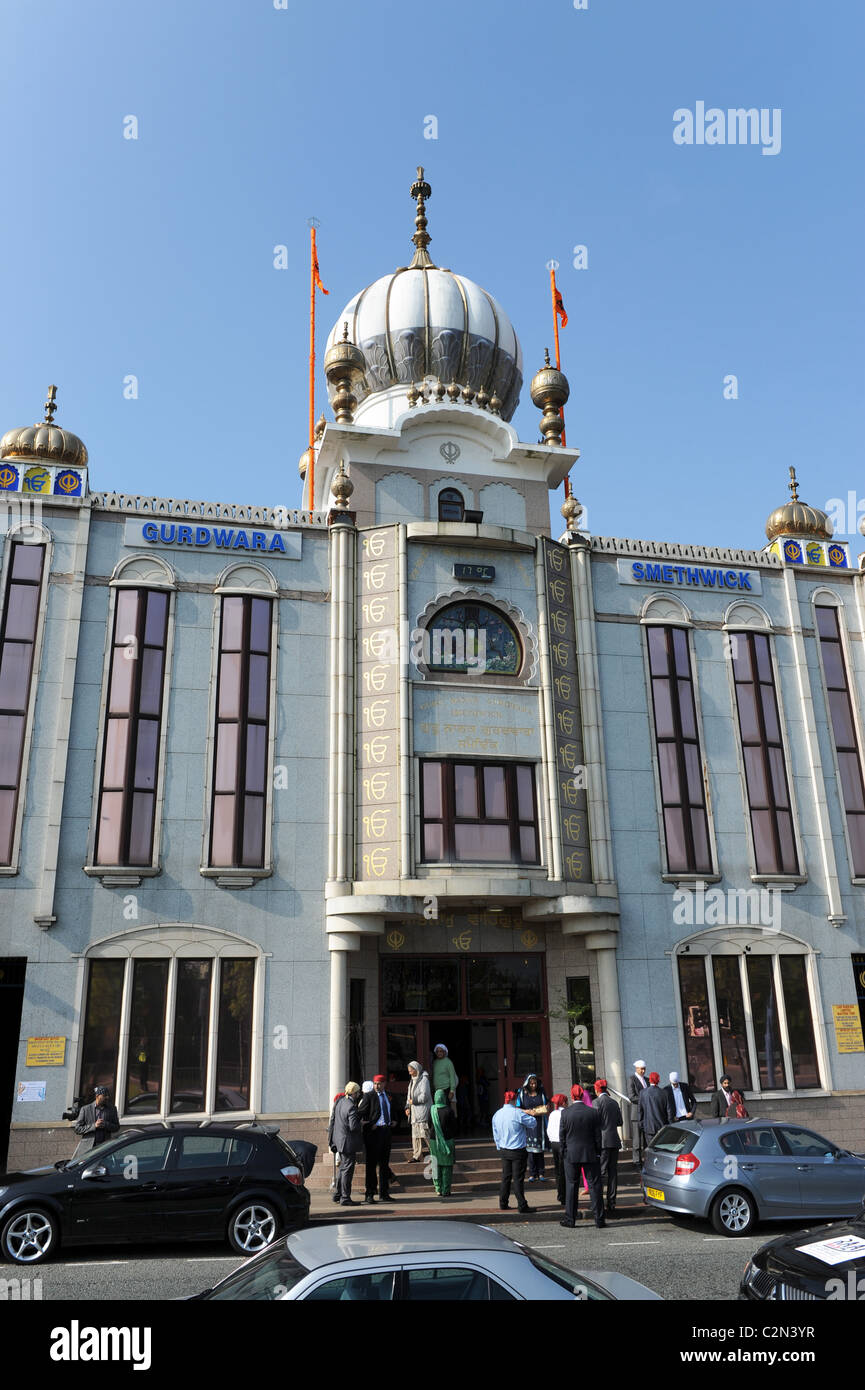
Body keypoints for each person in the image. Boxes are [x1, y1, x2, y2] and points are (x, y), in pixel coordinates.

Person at [559, 1083, 605, 1228]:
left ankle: (570, 1219)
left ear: (572, 1096)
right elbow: (598, 1136)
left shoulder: (565, 1113)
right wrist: (598, 1152)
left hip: (571, 1154)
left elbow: (562, 1137)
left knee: (571, 1186)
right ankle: (599, 1220)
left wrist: (563, 1152)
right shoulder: (592, 1112)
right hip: (590, 1153)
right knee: (594, 1186)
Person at [491, 1089, 538, 1213]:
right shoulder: (517, 1113)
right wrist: (525, 1112)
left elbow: (495, 1132)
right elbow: (533, 1123)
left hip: (504, 1149)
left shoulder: (497, 1114)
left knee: (506, 1177)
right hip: (517, 1150)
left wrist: (498, 1146)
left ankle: (503, 1202)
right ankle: (522, 1205)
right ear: (513, 1100)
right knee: (518, 1178)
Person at [358, 1074, 398, 1204]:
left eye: (379, 1083)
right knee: (371, 1165)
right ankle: (369, 1194)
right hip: (373, 1133)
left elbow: (394, 1109)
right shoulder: (369, 1096)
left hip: (386, 1131)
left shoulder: (388, 1095)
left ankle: (384, 1193)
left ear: (384, 1084)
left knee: (384, 1164)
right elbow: (361, 1113)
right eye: (375, 1083)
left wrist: (395, 1120)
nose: (376, 1086)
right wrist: (370, 1125)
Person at [327, 1081, 364, 1205]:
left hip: (339, 1141)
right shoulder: (351, 1106)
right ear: (354, 1093)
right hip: (348, 1143)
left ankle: (338, 1194)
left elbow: (333, 1122)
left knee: (342, 1169)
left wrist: (331, 1140)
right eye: (358, 1092)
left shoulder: (340, 1102)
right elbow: (353, 1126)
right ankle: (345, 1198)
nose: (359, 1094)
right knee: (347, 1170)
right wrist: (361, 1124)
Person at [593, 1079, 623, 1217]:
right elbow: (620, 1122)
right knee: (613, 1173)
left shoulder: (596, 1103)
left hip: (602, 1142)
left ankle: (598, 1202)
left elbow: (594, 1123)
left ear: (597, 1090)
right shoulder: (614, 1102)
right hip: (614, 1140)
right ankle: (611, 1201)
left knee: (601, 1172)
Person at [516, 1073, 550, 1181]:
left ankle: (541, 1173)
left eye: (535, 1083)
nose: (533, 1085)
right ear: (527, 1083)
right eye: (531, 1083)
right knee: (530, 1150)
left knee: (539, 1149)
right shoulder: (522, 1093)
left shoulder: (541, 1092)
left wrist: (540, 1111)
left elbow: (547, 1106)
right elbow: (517, 1108)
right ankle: (532, 1173)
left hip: (539, 1122)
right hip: (527, 1124)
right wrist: (528, 1111)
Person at [73, 1085, 120, 1151]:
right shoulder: (85, 1109)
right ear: (97, 1096)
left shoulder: (112, 1109)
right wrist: (94, 1126)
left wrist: (106, 1124)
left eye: (107, 1095)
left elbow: (117, 1127)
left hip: (105, 1146)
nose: (107, 1097)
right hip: (89, 1148)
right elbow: (77, 1129)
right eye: (104, 1095)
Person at [429, 1088, 457, 1197]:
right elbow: (454, 1127)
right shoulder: (449, 1110)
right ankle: (446, 1190)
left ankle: (438, 1189)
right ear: (444, 1098)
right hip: (447, 1141)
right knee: (447, 1167)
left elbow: (429, 1124)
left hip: (434, 1141)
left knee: (435, 1165)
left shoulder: (432, 1110)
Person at [406, 1060, 432, 1161]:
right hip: (414, 1113)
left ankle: (433, 1152)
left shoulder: (424, 1079)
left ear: (416, 1070)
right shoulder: (412, 1080)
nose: (409, 1073)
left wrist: (413, 1101)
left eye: (411, 1071)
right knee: (415, 1135)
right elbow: (409, 1095)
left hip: (422, 1111)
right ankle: (416, 1155)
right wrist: (407, 1107)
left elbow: (424, 1096)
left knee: (425, 1133)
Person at [638, 1071, 674, 1146]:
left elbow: (640, 1111)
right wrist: (670, 1125)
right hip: (662, 1127)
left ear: (649, 1080)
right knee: (662, 1148)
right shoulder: (664, 1093)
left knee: (650, 1148)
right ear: (658, 1080)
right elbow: (669, 1111)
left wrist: (642, 1125)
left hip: (648, 1127)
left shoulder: (643, 1093)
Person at [546, 1094, 568, 1206]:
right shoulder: (565, 1113)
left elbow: (548, 1129)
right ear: (563, 1102)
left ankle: (560, 1194)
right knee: (565, 1170)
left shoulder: (552, 1114)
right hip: (563, 1143)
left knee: (558, 1171)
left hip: (554, 1143)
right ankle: (565, 1195)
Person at [627, 1059, 649, 1166]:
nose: (643, 1071)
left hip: (646, 1114)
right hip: (636, 1114)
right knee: (637, 1139)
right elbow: (632, 1097)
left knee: (646, 1138)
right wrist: (645, 1099)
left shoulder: (647, 1080)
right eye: (641, 1069)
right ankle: (636, 1161)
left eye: (644, 1069)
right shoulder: (632, 1079)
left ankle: (645, 1159)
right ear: (637, 1068)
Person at [431, 1044, 459, 1117]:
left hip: (446, 1090)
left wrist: (452, 1091)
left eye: (441, 1051)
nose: (439, 1053)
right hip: (437, 1091)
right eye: (437, 1051)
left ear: (445, 1052)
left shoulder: (448, 1062)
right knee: (438, 1111)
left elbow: (452, 1077)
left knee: (447, 1111)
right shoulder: (435, 1062)